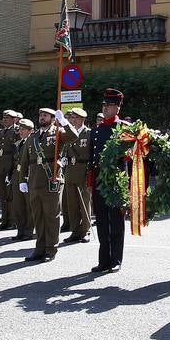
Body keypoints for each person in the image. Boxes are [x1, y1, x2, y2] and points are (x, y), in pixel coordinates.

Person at [22, 107, 74, 262]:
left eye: (45, 115)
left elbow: (73, 136)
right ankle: (39, 247)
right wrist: (22, 180)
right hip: (34, 180)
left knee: (51, 216)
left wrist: (64, 122)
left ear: (53, 118)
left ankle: (51, 249)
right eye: (40, 115)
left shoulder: (58, 133)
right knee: (38, 216)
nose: (42, 117)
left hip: (51, 179)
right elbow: (25, 159)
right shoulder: (33, 136)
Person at [88, 88, 127, 272]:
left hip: (116, 181)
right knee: (102, 221)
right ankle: (103, 260)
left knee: (116, 222)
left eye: (109, 105)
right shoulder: (96, 130)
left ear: (117, 108)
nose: (105, 108)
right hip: (99, 181)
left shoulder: (124, 129)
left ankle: (116, 259)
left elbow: (133, 155)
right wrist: (90, 183)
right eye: (104, 105)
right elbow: (91, 158)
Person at [62, 106, 92, 243]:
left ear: (82, 119)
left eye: (75, 117)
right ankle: (75, 231)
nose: (72, 120)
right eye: (71, 117)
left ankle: (86, 230)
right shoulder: (68, 134)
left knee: (84, 203)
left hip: (83, 170)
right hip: (70, 170)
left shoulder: (88, 133)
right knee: (72, 204)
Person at [0, 109, 21, 230]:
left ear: (14, 120)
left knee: (11, 195)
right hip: (0, 165)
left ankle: (13, 220)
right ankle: (5, 219)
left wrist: (14, 167)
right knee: (2, 195)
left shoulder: (16, 132)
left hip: (10, 165)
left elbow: (18, 150)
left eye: (8, 118)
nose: (4, 119)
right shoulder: (1, 132)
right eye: (4, 117)